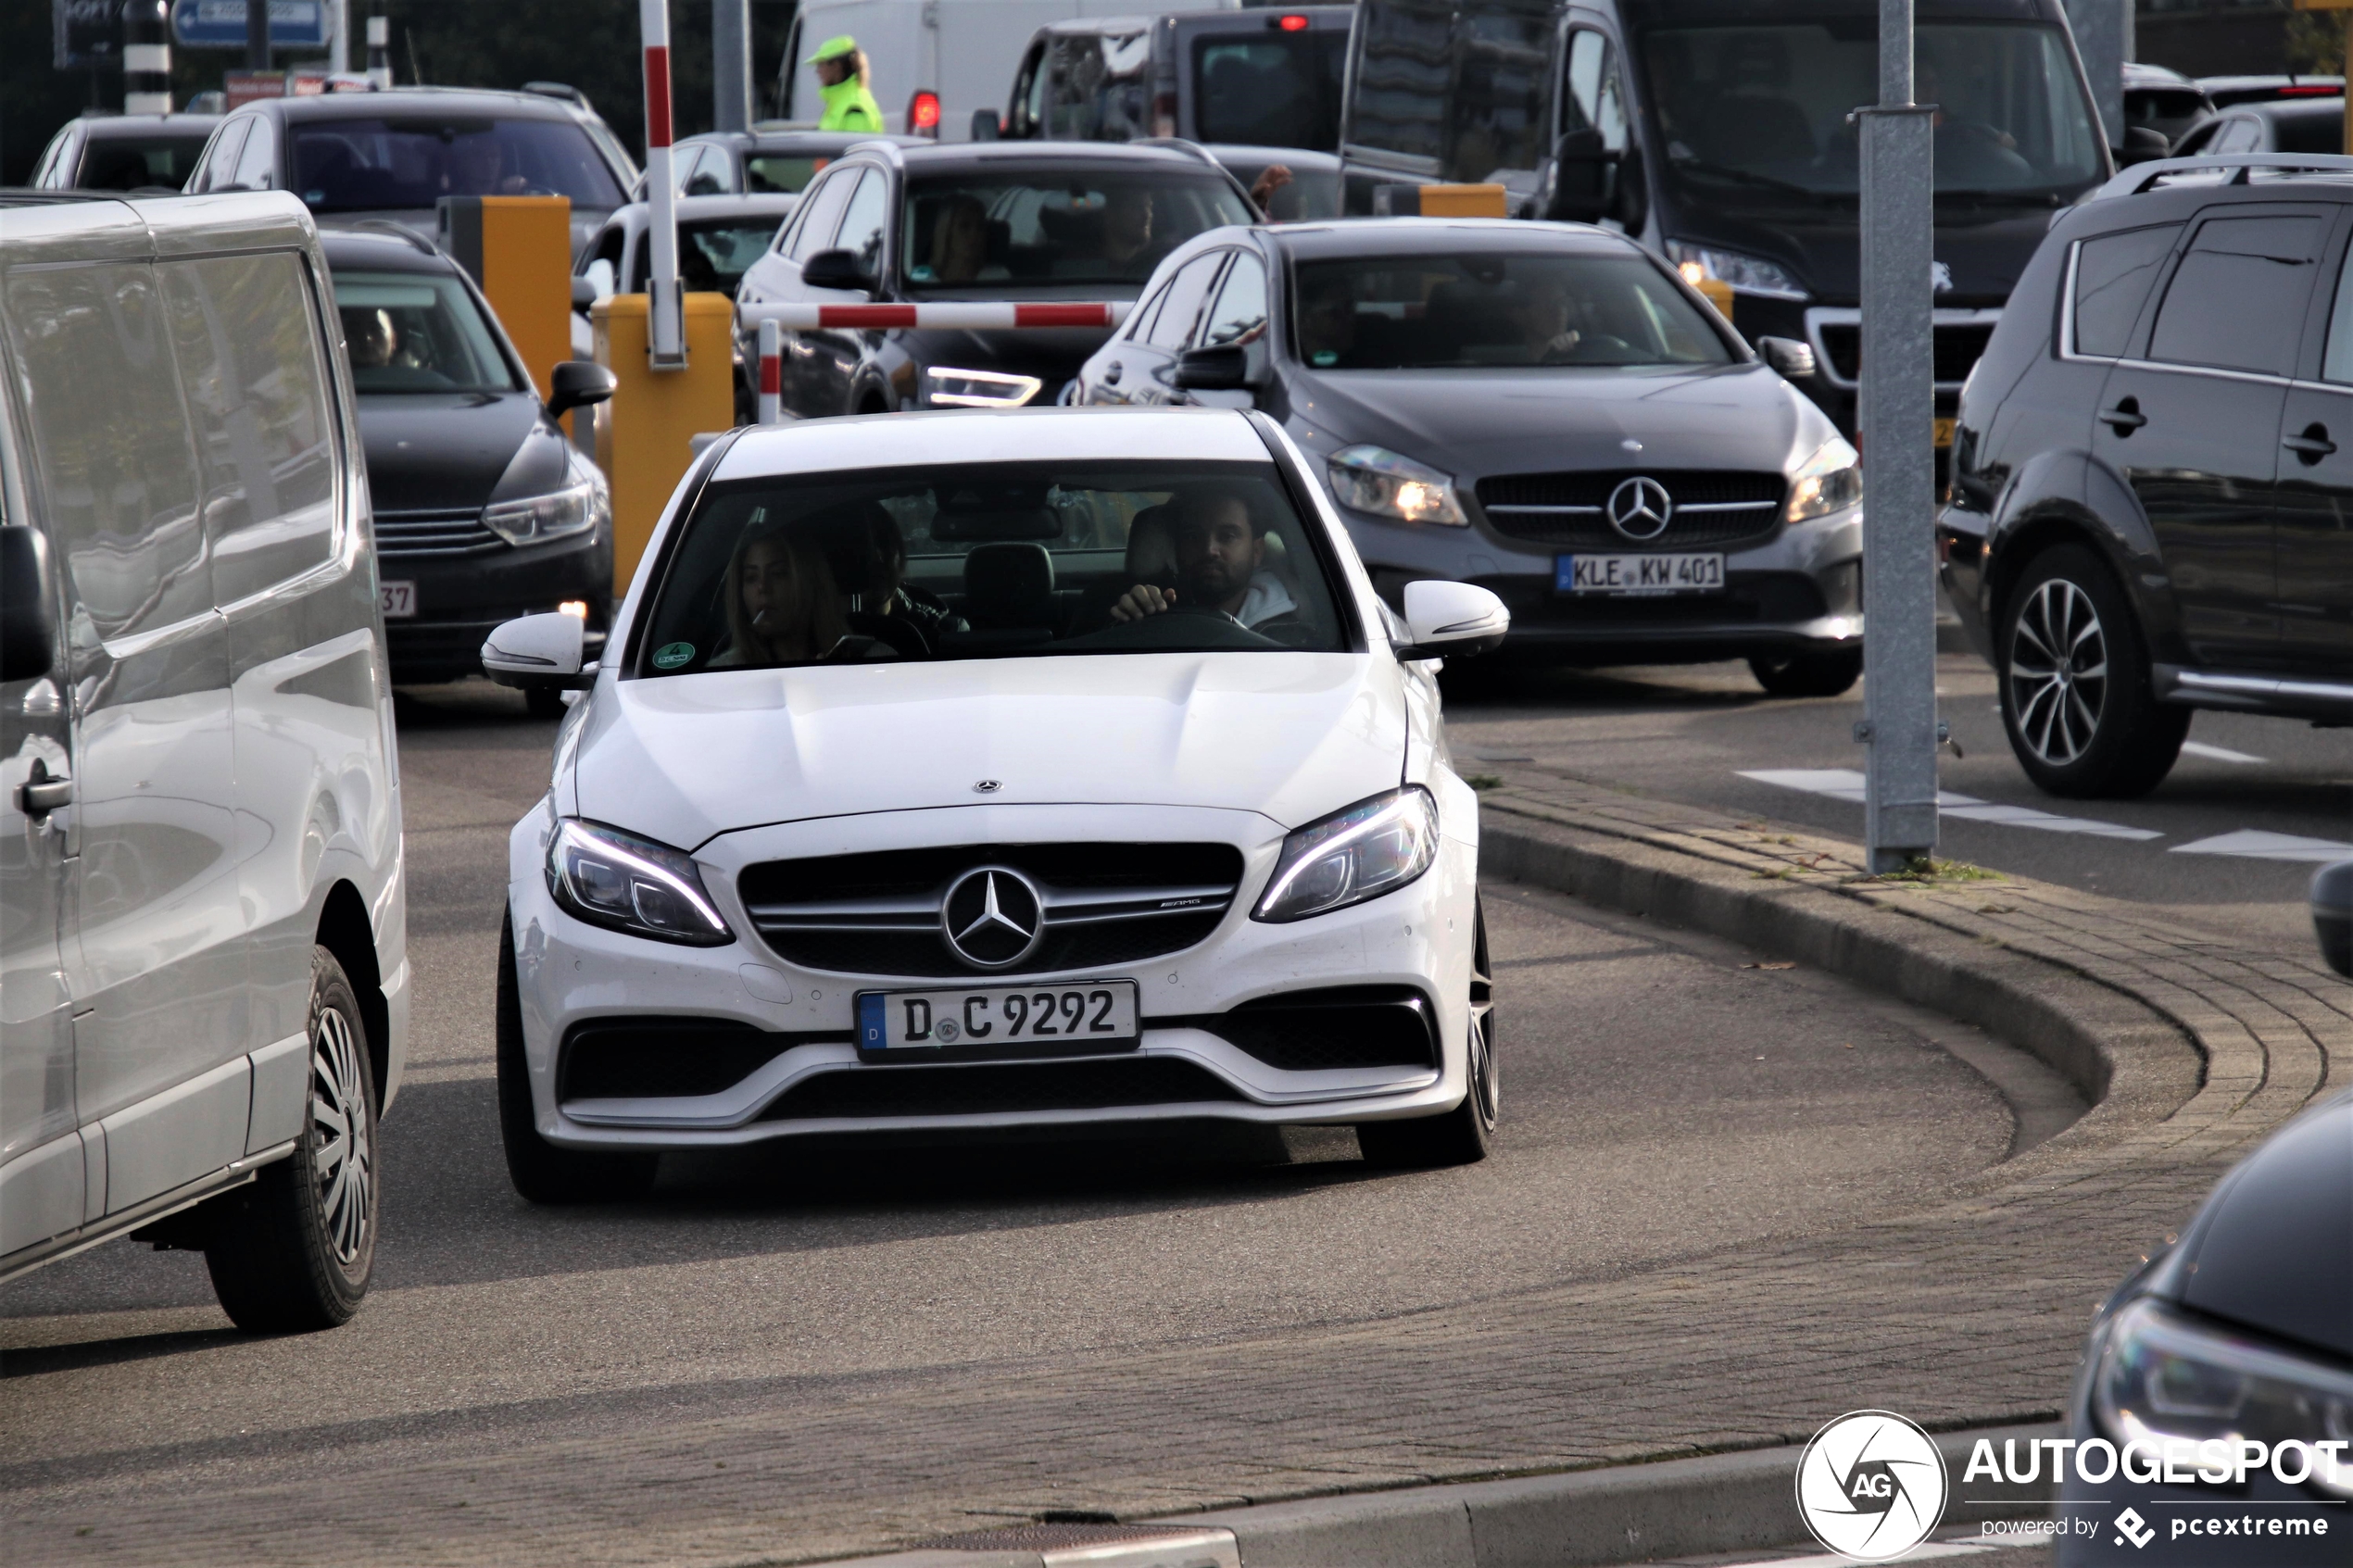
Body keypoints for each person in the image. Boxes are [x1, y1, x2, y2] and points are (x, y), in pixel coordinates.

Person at [1108, 488, 1305, 641]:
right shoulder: (1151, 611)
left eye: (1227, 536)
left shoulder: (1290, 634)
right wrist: (1130, 626)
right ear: (1176, 550)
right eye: (1193, 536)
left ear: (1257, 551)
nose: (1209, 549)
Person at [710, 524, 853, 667]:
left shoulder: (860, 659)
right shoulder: (725, 672)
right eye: (751, 577)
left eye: (778, 574)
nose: (762, 587)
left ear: (808, 580)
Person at [807, 36, 885, 133]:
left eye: (821, 65)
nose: (817, 71)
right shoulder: (840, 103)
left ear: (836, 66)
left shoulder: (855, 109)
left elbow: (855, 147)